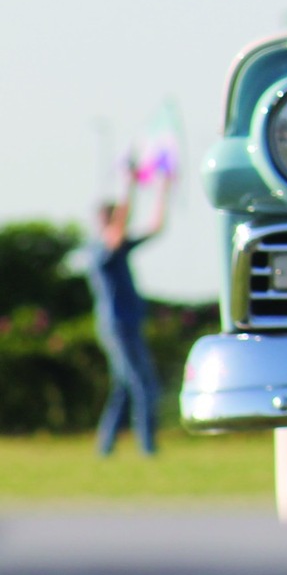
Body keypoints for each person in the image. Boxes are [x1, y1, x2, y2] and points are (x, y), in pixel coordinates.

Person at [86, 163, 172, 455]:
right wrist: (129, 184)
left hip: (128, 324)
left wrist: (164, 187)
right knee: (144, 387)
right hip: (117, 325)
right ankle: (149, 448)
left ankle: (104, 447)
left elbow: (156, 227)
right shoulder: (101, 250)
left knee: (123, 389)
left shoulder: (118, 248)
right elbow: (120, 226)